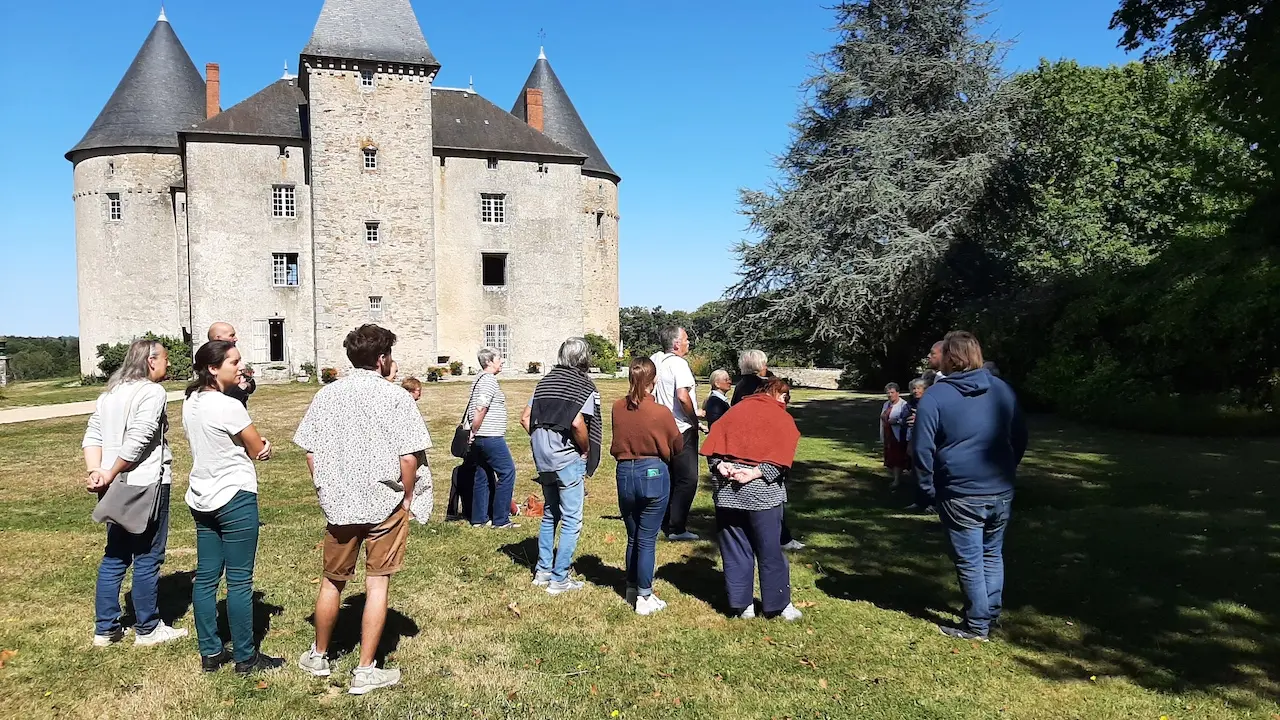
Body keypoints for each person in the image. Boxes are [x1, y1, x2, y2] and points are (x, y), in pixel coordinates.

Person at [293, 324, 432, 695]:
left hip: (340, 502)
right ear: (383, 359)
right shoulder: (397, 398)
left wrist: (324, 484)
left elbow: (310, 450)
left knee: (333, 579)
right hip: (384, 500)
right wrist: (406, 495)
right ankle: (366, 669)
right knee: (377, 582)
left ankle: (319, 654)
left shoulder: (327, 396)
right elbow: (409, 456)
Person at [913, 331, 1027, 642]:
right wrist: (1005, 469)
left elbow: (922, 449)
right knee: (992, 553)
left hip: (961, 490)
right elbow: (1019, 437)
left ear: (950, 358)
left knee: (971, 559)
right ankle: (989, 614)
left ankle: (977, 624)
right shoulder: (1002, 390)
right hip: (999, 487)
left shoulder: (936, 396)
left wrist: (927, 489)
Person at [182, 340, 282, 674]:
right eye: (234, 361)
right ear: (213, 367)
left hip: (201, 496)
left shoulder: (190, 401)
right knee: (239, 580)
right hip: (234, 496)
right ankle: (245, 656)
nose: (240, 366)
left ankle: (210, 652)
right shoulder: (228, 406)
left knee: (207, 577)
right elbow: (256, 448)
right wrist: (265, 446)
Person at [83, 339, 188, 647]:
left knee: (115, 553)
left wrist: (97, 472)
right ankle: (148, 628)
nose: (168, 365)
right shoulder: (152, 392)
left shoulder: (111, 393)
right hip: (145, 483)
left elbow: (93, 433)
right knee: (147, 556)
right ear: (151, 361)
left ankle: (106, 628)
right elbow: (139, 439)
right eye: (166, 359)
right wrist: (111, 471)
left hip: (111, 485)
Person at [701, 378, 803, 621]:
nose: (786, 402)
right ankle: (778, 605)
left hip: (727, 490)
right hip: (762, 492)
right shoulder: (780, 417)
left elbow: (713, 448)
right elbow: (781, 459)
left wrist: (720, 466)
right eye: (785, 396)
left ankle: (742, 605)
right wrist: (755, 473)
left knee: (735, 548)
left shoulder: (734, 411)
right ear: (776, 393)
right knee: (769, 550)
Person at [520, 337, 602, 595]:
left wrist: (539, 440)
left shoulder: (543, 383)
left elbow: (525, 418)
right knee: (571, 519)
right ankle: (559, 578)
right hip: (566, 458)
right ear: (583, 359)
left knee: (550, 514)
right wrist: (586, 450)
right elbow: (578, 423)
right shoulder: (583, 385)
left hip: (542, 457)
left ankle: (542, 571)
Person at [610, 357, 683, 615]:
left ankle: (631, 586)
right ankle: (644, 596)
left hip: (624, 471)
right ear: (654, 381)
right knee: (647, 538)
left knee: (633, 535)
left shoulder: (618, 407)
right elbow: (677, 444)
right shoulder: (660, 411)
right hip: (652, 471)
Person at [649, 326, 703, 541]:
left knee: (668, 476)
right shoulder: (679, 364)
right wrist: (693, 420)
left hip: (662, 427)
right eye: (686, 339)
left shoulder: (656, 361)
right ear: (676, 344)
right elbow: (682, 396)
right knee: (687, 478)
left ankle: (662, 518)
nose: (689, 343)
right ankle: (676, 527)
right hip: (681, 428)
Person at [460, 347, 519, 529]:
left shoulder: (478, 379)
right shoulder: (488, 380)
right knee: (507, 472)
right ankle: (501, 519)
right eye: (499, 358)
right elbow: (481, 407)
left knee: (482, 474)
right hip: (489, 435)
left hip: (481, 437)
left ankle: (479, 518)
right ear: (489, 362)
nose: (502, 361)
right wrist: (474, 430)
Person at [207, 322, 256, 407]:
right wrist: (239, 389)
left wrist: (245, 385)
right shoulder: (208, 357)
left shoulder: (233, 353)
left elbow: (249, 380)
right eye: (231, 335)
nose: (236, 338)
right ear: (218, 338)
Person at [903, 378, 932, 512]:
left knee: (929, 472)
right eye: (914, 388)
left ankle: (932, 503)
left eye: (919, 388)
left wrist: (919, 418)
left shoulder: (930, 402)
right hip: (913, 439)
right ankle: (919, 501)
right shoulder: (910, 404)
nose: (916, 391)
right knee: (916, 471)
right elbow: (904, 421)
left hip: (928, 441)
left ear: (925, 389)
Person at [880, 383, 911, 488]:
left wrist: (897, 421)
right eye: (888, 393)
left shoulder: (904, 405)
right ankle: (895, 477)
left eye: (892, 392)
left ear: (898, 393)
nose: (890, 395)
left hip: (898, 435)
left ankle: (897, 480)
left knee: (897, 457)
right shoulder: (886, 404)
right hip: (887, 434)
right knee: (890, 456)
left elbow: (907, 420)